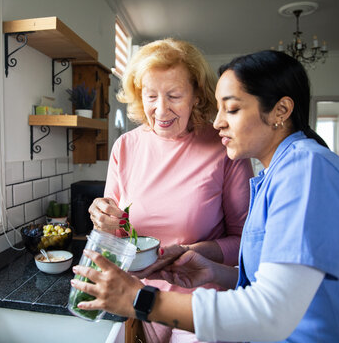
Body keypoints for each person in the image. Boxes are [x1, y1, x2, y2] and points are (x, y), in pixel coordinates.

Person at [72, 50, 339, 343]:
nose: (217, 122)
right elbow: (270, 281)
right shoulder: (276, 175)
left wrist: (139, 299)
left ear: (281, 110)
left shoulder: (307, 171)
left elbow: (272, 313)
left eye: (233, 108)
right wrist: (216, 272)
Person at [87, 38, 254, 342]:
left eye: (174, 96)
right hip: (136, 295)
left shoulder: (224, 146)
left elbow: (248, 243)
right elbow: (114, 237)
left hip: (199, 300)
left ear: (196, 96)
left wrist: (197, 252)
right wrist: (104, 220)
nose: (160, 110)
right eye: (150, 96)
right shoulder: (125, 147)